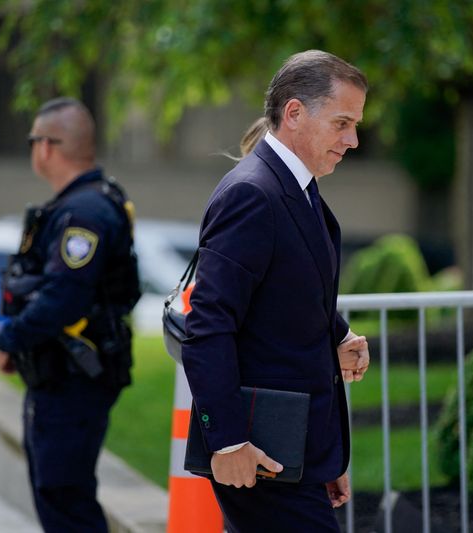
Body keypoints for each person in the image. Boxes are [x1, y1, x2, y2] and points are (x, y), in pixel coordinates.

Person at [181, 49, 370, 532]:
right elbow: (208, 324)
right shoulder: (253, 192)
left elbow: (287, 292)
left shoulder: (298, 188)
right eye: (342, 123)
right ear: (294, 113)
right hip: (258, 453)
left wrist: (337, 335)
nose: (352, 140)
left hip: (294, 455)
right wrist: (226, 442)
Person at [0, 97, 140, 532]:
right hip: (62, 372)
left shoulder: (83, 213)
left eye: (32, 140)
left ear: (47, 146)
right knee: (58, 493)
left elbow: (64, 297)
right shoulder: (89, 203)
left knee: (64, 499)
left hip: (73, 375)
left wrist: (9, 339)